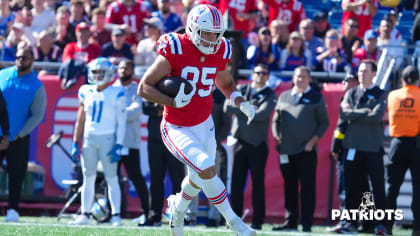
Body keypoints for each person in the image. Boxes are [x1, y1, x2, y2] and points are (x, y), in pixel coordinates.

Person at [137, 4, 256, 236]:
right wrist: (171, 102)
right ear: (192, 29)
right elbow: (144, 87)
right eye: (207, 33)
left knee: (198, 178)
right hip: (176, 126)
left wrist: (240, 101)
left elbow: (225, 82)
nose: (212, 39)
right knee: (207, 168)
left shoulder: (220, 49)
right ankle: (235, 223)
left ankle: (178, 208)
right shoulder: (177, 47)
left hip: (205, 124)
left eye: (216, 33)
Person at [271, 66, 330, 233]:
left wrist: (313, 141)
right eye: (297, 76)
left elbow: (324, 123)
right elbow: (276, 120)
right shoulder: (284, 96)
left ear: (309, 79)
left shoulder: (316, 97)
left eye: (304, 77)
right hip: (286, 150)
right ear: (293, 78)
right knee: (289, 187)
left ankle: (306, 224)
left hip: (306, 151)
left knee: (307, 188)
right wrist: (277, 136)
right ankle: (290, 222)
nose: (300, 79)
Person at [70, 57, 127, 226]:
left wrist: (119, 144)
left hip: (108, 138)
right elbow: (80, 119)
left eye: (102, 72)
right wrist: (75, 141)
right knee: (88, 178)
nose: (98, 75)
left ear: (109, 74)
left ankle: (116, 215)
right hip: (89, 139)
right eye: (95, 72)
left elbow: (121, 122)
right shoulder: (85, 91)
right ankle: (85, 214)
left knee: (112, 178)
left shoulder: (117, 92)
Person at [225, 63, 277, 230]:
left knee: (258, 184)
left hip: (258, 145)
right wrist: (248, 108)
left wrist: (240, 109)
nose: (260, 75)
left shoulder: (270, 94)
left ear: (268, 77)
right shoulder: (241, 89)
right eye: (257, 72)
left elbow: (262, 115)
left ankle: (258, 221)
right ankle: (234, 221)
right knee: (236, 183)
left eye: (264, 73)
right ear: (252, 74)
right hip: (239, 142)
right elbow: (227, 106)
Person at [339, 59, 387, 235]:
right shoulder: (351, 93)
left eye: (365, 71)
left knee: (377, 188)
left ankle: (381, 224)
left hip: (373, 149)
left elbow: (376, 116)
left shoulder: (381, 94)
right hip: (352, 147)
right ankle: (350, 222)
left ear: (374, 74)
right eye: (359, 71)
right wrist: (364, 111)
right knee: (352, 187)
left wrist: (355, 114)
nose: (361, 74)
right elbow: (344, 114)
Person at [0, 47, 47, 222]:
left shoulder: (36, 85)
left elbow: (37, 114)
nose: (21, 60)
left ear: (32, 60)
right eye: (18, 57)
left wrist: (19, 134)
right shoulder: (2, 75)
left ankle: (13, 209)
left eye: (25, 58)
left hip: (18, 137)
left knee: (16, 175)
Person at [113, 59, 150, 226]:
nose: (122, 71)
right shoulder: (111, 88)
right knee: (111, 178)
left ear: (132, 70)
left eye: (126, 68)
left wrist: (116, 113)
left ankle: (147, 212)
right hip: (112, 141)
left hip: (129, 142)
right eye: (120, 68)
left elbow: (135, 112)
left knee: (136, 178)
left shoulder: (137, 89)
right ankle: (113, 213)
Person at [386, 66, 420, 236]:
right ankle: (417, 228)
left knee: (392, 188)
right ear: (418, 80)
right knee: (418, 189)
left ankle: (386, 226)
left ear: (401, 80)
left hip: (396, 144)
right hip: (416, 145)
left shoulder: (392, 95)